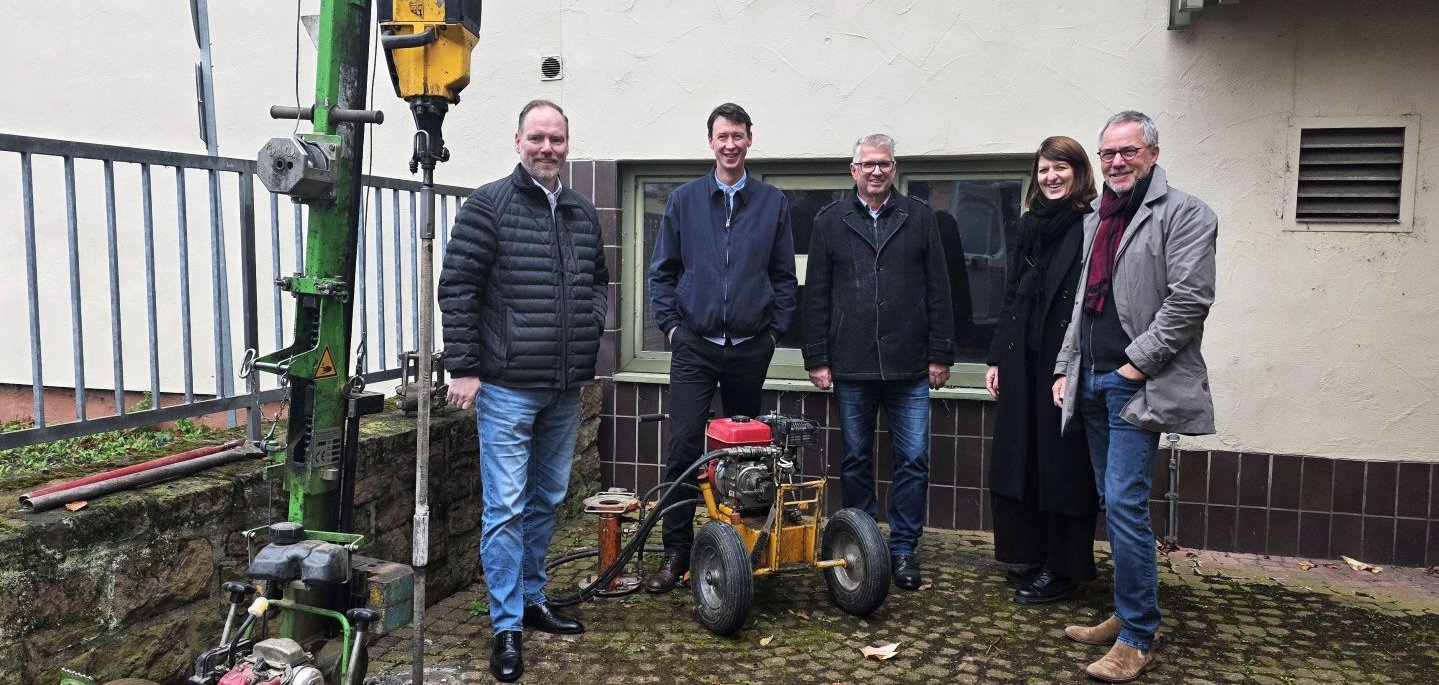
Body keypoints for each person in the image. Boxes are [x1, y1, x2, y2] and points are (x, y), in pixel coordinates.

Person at [438, 99, 608, 683]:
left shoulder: (582, 212)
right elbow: (458, 286)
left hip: (564, 386)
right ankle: (506, 624)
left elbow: (597, 282)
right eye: (536, 138)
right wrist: (464, 367)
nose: (546, 148)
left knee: (547, 499)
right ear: (517, 142)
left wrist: (589, 327)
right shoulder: (488, 205)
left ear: (567, 144)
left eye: (556, 139)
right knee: (506, 507)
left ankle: (533, 598)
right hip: (507, 387)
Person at [1052, 111, 1217, 682]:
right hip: (1092, 380)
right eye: (1108, 153)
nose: (1117, 162)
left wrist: (1133, 366)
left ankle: (1138, 637)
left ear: (1153, 153)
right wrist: (1066, 367)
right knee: (1112, 499)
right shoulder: (1098, 216)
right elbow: (1083, 302)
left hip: (1135, 386)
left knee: (1124, 503)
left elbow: (1189, 300)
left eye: (1129, 151)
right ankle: (1128, 613)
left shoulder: (1187, 213)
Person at [645, 102, 798, 593]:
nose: (730, 144)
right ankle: (676, 552)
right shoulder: (685, 200)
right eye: (722, 136)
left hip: (750, 346)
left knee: (747, 453)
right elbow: (662, 273)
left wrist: (772, 335)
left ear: (749, 139)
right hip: (695, 345)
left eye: (738, 135)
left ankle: (743, 547)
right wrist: (672, 329)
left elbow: (784, 277)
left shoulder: (772, 202)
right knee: (684, 450)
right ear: (710, 142)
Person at [801, 134, 954, 590]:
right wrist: (817, 357)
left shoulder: (920, 217)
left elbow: (940, 289)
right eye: (867, 164)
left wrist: (940, 353)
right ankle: (864, 545)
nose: (876, 171)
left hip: (910, 364)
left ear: (894, 169)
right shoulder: (830, 221)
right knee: (855, 459)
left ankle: (903, 549)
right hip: (852, 363)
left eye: (883, 164)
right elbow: (816, 295)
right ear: (853, 170)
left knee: (914, 459)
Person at [985, 136, 1100, 605]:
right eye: (1043, 169)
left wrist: (1071, 365)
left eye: (1060, 167)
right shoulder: (1030, 224)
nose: (1051, 177)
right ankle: (1029, 554)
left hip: (1063, 361)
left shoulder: (1091, 224)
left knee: (1062, 464)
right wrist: (997, 357)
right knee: (1022, 457)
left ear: (1079, 172)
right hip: (1023, 358)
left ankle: (1063, 569)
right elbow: (1012, 293)